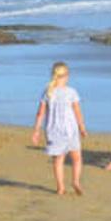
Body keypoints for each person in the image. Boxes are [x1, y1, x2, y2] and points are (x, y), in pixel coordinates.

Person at [32, 62, 87, 195]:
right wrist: (82, 127)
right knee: (77, 158)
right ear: (66, 75)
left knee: (58, 160)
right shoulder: (71, 92)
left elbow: (40, 113)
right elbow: (77, 111)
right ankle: (75, 181)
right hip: (70, 130)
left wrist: (36, 131)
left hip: (53, 131)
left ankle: (60, 188)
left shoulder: (48, 92)